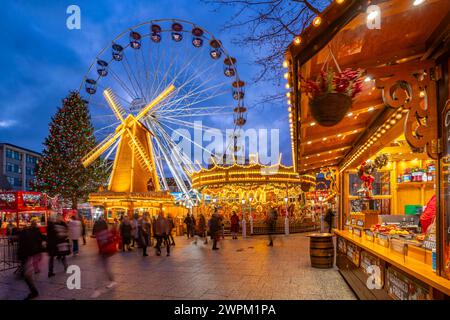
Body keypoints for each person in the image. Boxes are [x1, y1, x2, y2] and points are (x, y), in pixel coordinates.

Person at [17, 220, 44, 300]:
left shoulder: (25, 234)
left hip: (28, 254)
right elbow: (39, 240)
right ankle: (33, 290)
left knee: (27, 274)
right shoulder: (32, 232)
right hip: (32, 252)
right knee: (28, 272)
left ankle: (34, 292)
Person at [92, 223, 118, 298]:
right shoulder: (105, 233)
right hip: (106, 253)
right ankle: (112, 281)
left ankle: (97, 290)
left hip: (105, 252)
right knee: (105, 269)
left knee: (100, 271)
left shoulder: (101, 234)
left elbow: (102, 244)